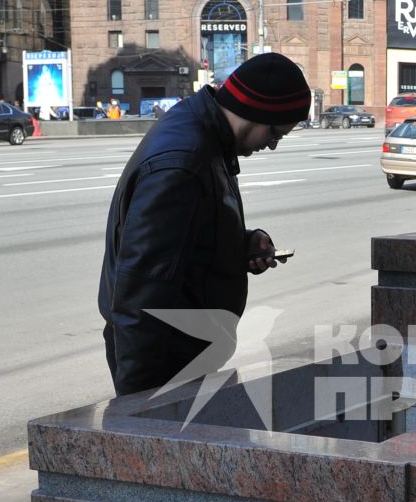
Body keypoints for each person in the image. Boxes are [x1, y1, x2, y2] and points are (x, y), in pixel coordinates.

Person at [98, 52, 310, 397]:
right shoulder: (182, 164)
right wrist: (138, 406)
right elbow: (140, 293)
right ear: (257, 112)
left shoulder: (205, 132)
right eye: (276, 133)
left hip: (182, 351)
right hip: (164, 365)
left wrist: (240, 245)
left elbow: (183, 239)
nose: (272, 144)